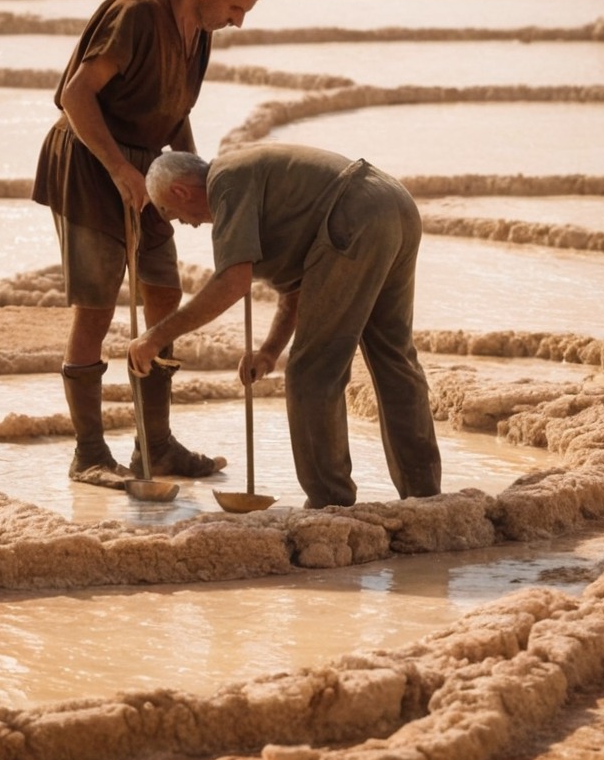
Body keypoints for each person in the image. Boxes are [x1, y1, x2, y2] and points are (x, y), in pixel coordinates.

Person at [31, 0, 268, 489]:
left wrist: (195, 178)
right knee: (95, 306)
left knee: (163, 296)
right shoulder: (138, 13)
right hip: (93, 163)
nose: (236, 22)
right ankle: (89, 453)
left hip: (149, 169)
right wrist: (118, 168)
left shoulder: (200, 32)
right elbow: (76, 95)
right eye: (236, 9)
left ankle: (154, 445)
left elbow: (177, 114)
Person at [128, 145, 443, 511]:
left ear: (180, 192)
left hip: (354, 216)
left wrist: (156, 337)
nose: (190, 224)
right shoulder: (252, 182)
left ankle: (330, 505)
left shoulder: (225, 183)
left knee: (312, 372)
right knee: (394, 357)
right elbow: (298, 291)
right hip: (394, 204)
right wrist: (269, 352)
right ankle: (426, 498)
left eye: (174, 215)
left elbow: (232, 283)